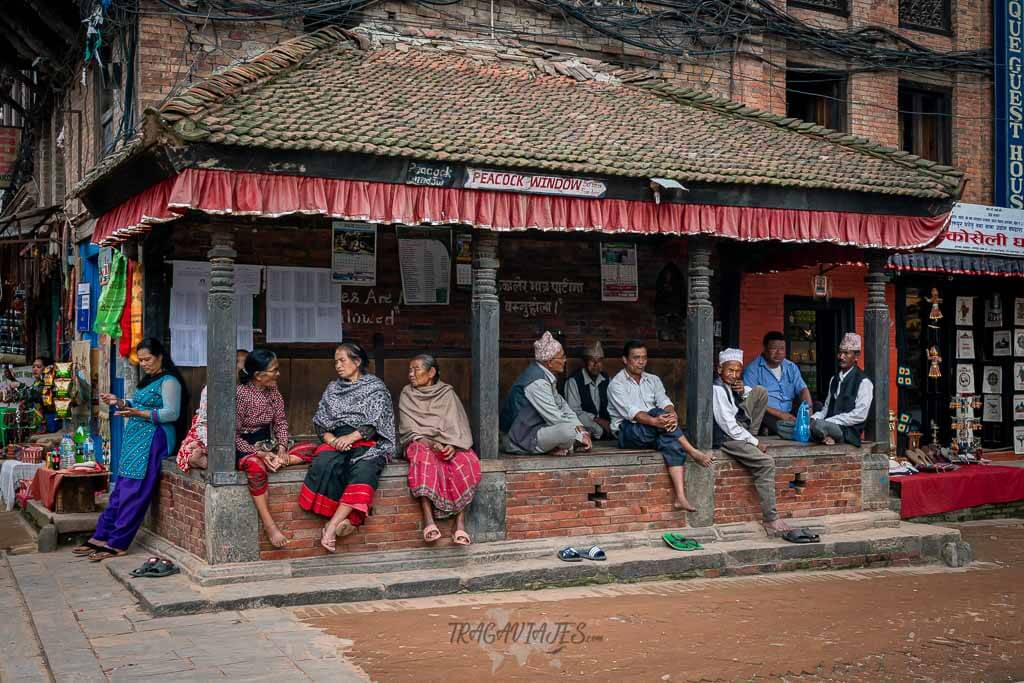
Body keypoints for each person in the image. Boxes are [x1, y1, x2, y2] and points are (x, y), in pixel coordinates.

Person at [76, 339, 188, 561]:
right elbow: (139, 405)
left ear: (160, 356)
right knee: (120, 490)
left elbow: (171, 413)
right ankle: (101, 536)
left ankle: (118, 542)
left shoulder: (170, 381)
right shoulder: (149, 380)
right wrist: (119, 402)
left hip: (154, 438)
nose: (144, 364)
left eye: (148, 359)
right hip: (135, 439)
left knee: (134, 491)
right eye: (141, 360)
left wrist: (139, 414)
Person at [300, 342, 396, 553]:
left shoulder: (375, 388)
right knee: (325, 462)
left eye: (342, 360)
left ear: (357, 361)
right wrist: (332, 439)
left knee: (364, 467)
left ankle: (332, 526)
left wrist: (352, 438)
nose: (338, 365)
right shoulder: (332, 388)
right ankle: (347, 519)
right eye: (335, 361)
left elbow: (376, 421)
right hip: (337, 439)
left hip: (367, 440)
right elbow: (320, 422)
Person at [608, 340, 712, 512]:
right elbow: (632, 412)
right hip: (628, 432)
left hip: (654, 429)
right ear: (625, 360)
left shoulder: (653, 380)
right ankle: (692, 451)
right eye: (636, 358)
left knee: (672, 442)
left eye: (644, 358)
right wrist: (656, 420)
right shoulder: (616, 384)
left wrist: (671, 414)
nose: (641, 362)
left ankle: (680, 497)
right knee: (657, 413)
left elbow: (664, 400)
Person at [398, 354, 482, 545]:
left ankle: (460, 524)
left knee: (466, 460)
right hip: (421, 442)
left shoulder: (447, 393)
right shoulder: (407, 393)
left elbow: (457, 425)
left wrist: (452, 445)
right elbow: (409, 429)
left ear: (431, 372)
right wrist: (430, 443)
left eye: (416, 369)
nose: (411, 374)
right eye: (409, 370)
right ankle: (429, 521)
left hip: (449, 442)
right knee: (423, 458)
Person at [235, 349, 310, 548]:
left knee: (313, 449)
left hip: (269, 444)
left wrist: (283, 449)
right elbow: (232, 436)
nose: (278, 374)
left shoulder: (273, 391)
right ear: (258, 375)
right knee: (255, 467)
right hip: (245, 446)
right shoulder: (241, 395)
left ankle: (280, 461)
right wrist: (258, 453)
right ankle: (270, 526)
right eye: (274, 370)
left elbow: (281, 423)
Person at [713, 348, 789, 534]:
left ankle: (751, 436)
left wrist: (742, 391)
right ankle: (770, 519)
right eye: (730, 370)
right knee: (766, 463)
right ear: (719, 369)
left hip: (740, 430)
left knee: (760, 392)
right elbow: (728, 425)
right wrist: (754, 443)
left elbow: (749, 396)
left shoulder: (733, 386)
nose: (734, 375)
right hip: (727, 437)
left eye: (738, 371)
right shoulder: (717, 389)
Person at [500, 331, 591, 455]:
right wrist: (580, 437)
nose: (565, 360)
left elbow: (562, 405)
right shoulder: (537, 381)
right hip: (518, 438)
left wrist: (581, 430)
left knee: (571, 429)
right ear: (549, 362)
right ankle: (556, 447)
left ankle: (556, 447)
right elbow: (555, 417)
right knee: (568, 431)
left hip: (536, 430)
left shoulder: (546, 376)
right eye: (562, 357)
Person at [176, 349, 249, 473]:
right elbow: (202, 422)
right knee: (192, 452)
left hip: (238, 433)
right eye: (244, 364)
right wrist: (209, 445)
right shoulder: (212, 388)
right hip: (209, 430)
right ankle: (204, 458)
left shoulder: (249, 388)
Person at [742, 331, 812, 437]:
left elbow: (803, 389)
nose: (779, 352)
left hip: (789, 413)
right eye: (774, 348)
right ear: (765, 349)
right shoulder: (753, 370)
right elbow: (750, 401)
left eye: (782, 349)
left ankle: (797, 428)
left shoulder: (791, 367)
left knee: (817, 407)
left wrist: (808, 409)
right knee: (770, 419)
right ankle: (793, 430)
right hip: (767, 414)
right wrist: (780, 414)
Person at [810, 333, 874, 446]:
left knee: (818, 426)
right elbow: (826, 409)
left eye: (846, 353)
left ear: (856, 356)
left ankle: (824, 435)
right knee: (786, 425)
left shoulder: (864, 382)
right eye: (840, 352)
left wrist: (830, 421)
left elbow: (860, 415)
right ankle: (824, 436)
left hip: (847, 431)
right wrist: (813, 418)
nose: (841, 357)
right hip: (828, 424)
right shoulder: (834, 379)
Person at [563, 340, 612, 440]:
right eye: (592, 360)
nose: (596, 364)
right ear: (585, 362)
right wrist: (598, 421)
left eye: (599, 360)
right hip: (585, 433)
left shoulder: (607, 380)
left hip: (608, 433)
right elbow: (574, 412)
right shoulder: (574, 381)